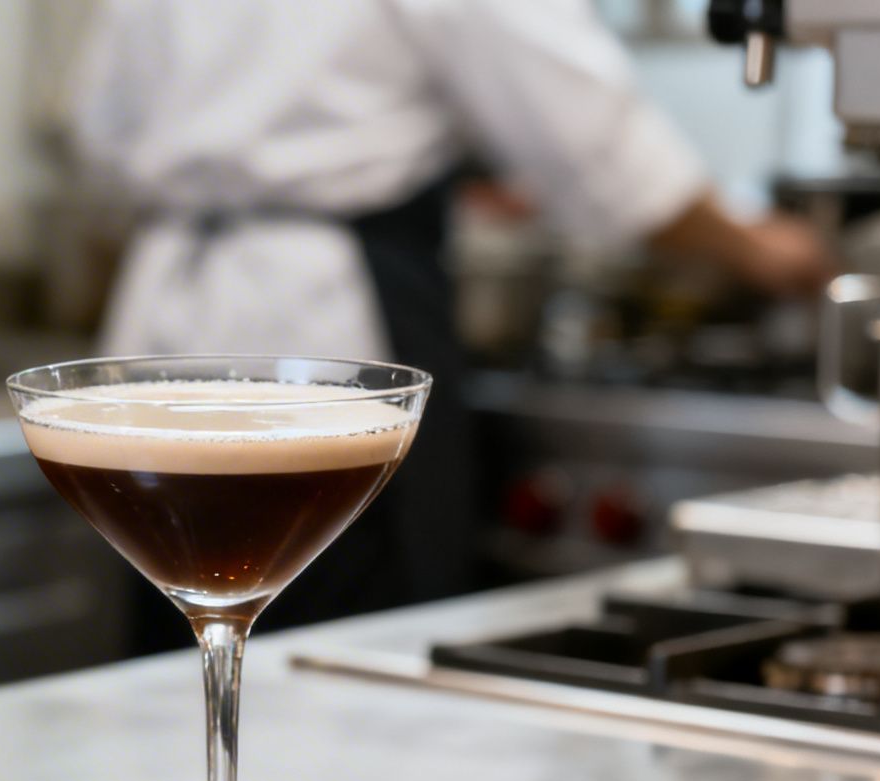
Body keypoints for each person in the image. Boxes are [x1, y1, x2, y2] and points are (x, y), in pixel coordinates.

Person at [71, 0, 836, 628]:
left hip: (165, 313)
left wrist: (343, 160)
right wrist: (757, 248)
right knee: (340, 646)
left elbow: (99, 127)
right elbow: (593, 138)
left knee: (177, 641)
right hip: (327, 320)